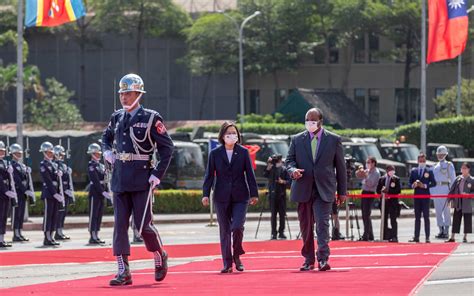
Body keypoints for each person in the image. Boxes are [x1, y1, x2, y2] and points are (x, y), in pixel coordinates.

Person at [102, 73, 174, 285]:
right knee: (120, 225)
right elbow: (106, 137)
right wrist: (106, 151)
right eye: (122, 93)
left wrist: (157, 175)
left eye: (128, 93)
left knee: (143, 226)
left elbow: (167, 148)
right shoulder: (116, 117)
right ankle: (123, 271)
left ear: (138, 94)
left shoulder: (151, 118)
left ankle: (159, 253)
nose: (124, 97)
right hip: (120, 177)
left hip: (142, 177)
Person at [285, 108, 347, 272]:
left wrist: (342, 192)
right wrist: (293, 171)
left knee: (322, 224)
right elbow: (289, 161)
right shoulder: (297, 139)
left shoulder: (333, 140)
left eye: (313, 120)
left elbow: (340, 167)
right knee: (306, 226)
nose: (309, 123)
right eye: (307, 120)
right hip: (303, 187)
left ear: (320, 122)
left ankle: (323, 258)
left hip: (324, 189)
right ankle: (308, 259)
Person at [202, 121, 259, 273]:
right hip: (221, 196)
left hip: (241, 196)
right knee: (225, 230)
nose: (232, 136)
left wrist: (254, 193)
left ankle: (237, 256)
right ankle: (227, 263)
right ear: (222, 136)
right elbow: (209, 175)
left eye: (234, 133)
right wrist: (205, 194)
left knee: (237, 227)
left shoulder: (243, 152)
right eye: (229, 133)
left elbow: (250, 174)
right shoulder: (215, 153)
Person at [39, 141, 64, 246]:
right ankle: (47, 237)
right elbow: (48, 181)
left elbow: (56, 181)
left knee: (54, 215)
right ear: (44, 153)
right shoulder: (43, 165)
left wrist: (59, 174)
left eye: (51, 153)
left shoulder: (54, 164)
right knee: (48, 215)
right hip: (48, 194)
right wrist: (55, 193)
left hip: (55, 194)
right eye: (49, 153)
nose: (51, 154)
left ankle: (52, 236)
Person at [409, 153, 436, 243]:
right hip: (417, 197)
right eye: (420, 161)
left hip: (425, 197)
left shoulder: (429, 171)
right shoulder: (414, 171)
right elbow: (409, 183)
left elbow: (434, 183)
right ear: (417, 161)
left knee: (426, 217)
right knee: (417, 217)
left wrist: (424, 185)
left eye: (423, 161)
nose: (422, 162)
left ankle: (427, 237)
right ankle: (416, 236)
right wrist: (414, 185)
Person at [9, 144, 34, 242]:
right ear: (12, 154)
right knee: (16, 214)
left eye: (20, 153)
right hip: (17, 192)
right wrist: (25, 189)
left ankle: (20, 232)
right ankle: (15, 234)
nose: (19, 155)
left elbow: (25, 179)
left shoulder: (22, 165)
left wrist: (27, 173)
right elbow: (17, 180)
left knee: (21, 213)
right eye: (17, 153)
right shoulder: (11, 165)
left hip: (23, 193)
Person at [431, 146, 456, 239]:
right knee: (438, 211)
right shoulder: (435, 166)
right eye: (439, 154)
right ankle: (440, 230)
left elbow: (453, 179)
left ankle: (446, 230)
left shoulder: (449, 165)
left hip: (445, 189)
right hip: (436, 189)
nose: (440, 156)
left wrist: (452, 192)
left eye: (442, 154)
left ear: (445, 155)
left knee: (446, 211)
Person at [264, 154, 289, 240]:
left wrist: (283, 181)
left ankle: (281, 232)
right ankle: (273, 233)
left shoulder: (284, 169)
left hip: (281, 195)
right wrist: (269, 165)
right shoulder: (271, 169)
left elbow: (289, 182)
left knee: (282, 215)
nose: (277, 162)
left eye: (277, 160)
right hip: (272, 194)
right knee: (273, 215)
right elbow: (265, 175)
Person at [86, 143, 108, 244]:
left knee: (99, 214)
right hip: (95, 192)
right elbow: (95, 180)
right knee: (93, 214)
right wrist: (102, 191)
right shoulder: (91, 165)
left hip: (101, 192)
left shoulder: (101, 166)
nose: (99, 155)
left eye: (99, 153)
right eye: (97, 153)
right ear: (92, 154)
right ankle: (92, 235)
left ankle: (97, 234)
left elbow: (105, 179)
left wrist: (106, 190)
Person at [446, 163, 473, 243]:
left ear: (468, 170)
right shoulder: (458, 179)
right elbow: (452, 189)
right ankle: (452, 237)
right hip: (458, 201)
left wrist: (469, 195)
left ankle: (465, 236)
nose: (463, 170)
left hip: (467, 202)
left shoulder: (472, 180)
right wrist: (449, 200)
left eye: (465, 168)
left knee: (467, 219)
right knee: (456, 219)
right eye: (462, 168)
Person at [355, 156, 380, 241]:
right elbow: (357, 175)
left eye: (369, 162)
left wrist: (365, 176)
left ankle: (366, 235)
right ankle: (369, 234)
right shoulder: (368, 171)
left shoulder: (376, 172)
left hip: (370, 193)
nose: (367, 164)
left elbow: (371, 184)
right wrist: (360, 171)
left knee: (366, 214)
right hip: (364, 192)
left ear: (373, 163)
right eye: (367, 162)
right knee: (364, 214)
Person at [53, 145, 74, 241]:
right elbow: (56, 181)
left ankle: (60, 230)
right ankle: (57, 232)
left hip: (65, 193)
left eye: (62, 154)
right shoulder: (54, 165)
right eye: (60, 154)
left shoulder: (64, 165)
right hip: (59, 192)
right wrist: (64, 189)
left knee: (63, 213)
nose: (62, 156)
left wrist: (69, 189)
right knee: (59, 213)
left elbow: (67, 179)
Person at [376, 165, 401, 242]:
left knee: (393, 220)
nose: (392, 171)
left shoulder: (396, 179)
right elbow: (377, 190)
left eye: (393, 170)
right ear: (387, 170)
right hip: (384, 203)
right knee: (384, 220)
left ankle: (394, 236)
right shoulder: (382, 179)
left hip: (393, 202)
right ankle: (384, 236)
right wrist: (382, 191)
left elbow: (398, 190)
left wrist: (388, 191)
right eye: (390, 169)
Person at [0, 141, 15, 248]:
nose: (2, 152)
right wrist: (5, 190)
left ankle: (2, 238)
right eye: (0, 150)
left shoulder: (6, 162)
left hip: (6, 193)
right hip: (1, 192)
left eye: (3, 151)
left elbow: (8, 178)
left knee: (4, 216)